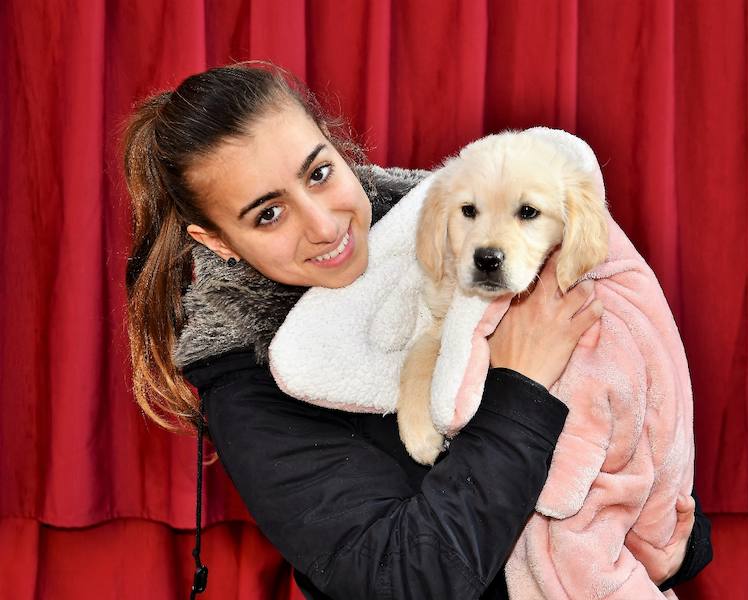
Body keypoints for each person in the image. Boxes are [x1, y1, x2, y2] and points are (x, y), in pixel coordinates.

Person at [121, 61, 711, 599]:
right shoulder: (252, 392)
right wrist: (520, 388)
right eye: (268, 214)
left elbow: (630, 398)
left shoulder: (462, 228)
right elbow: (405, 581)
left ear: (338, 148)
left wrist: (671, 536)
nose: (324, 226)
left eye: (320, 173)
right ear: (217, 242)